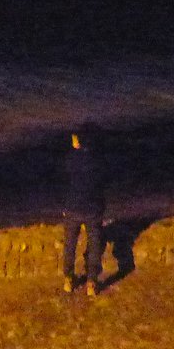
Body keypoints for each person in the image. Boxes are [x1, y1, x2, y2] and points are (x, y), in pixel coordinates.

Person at [61, 125, 106, 296]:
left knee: (70, 243)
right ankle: (92, 282)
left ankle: (68, 278)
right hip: (93, 208)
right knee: (94, 243)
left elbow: (66, 180)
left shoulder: (71, 159)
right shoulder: (97, 159)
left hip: (73, 207)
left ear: (78, 141)